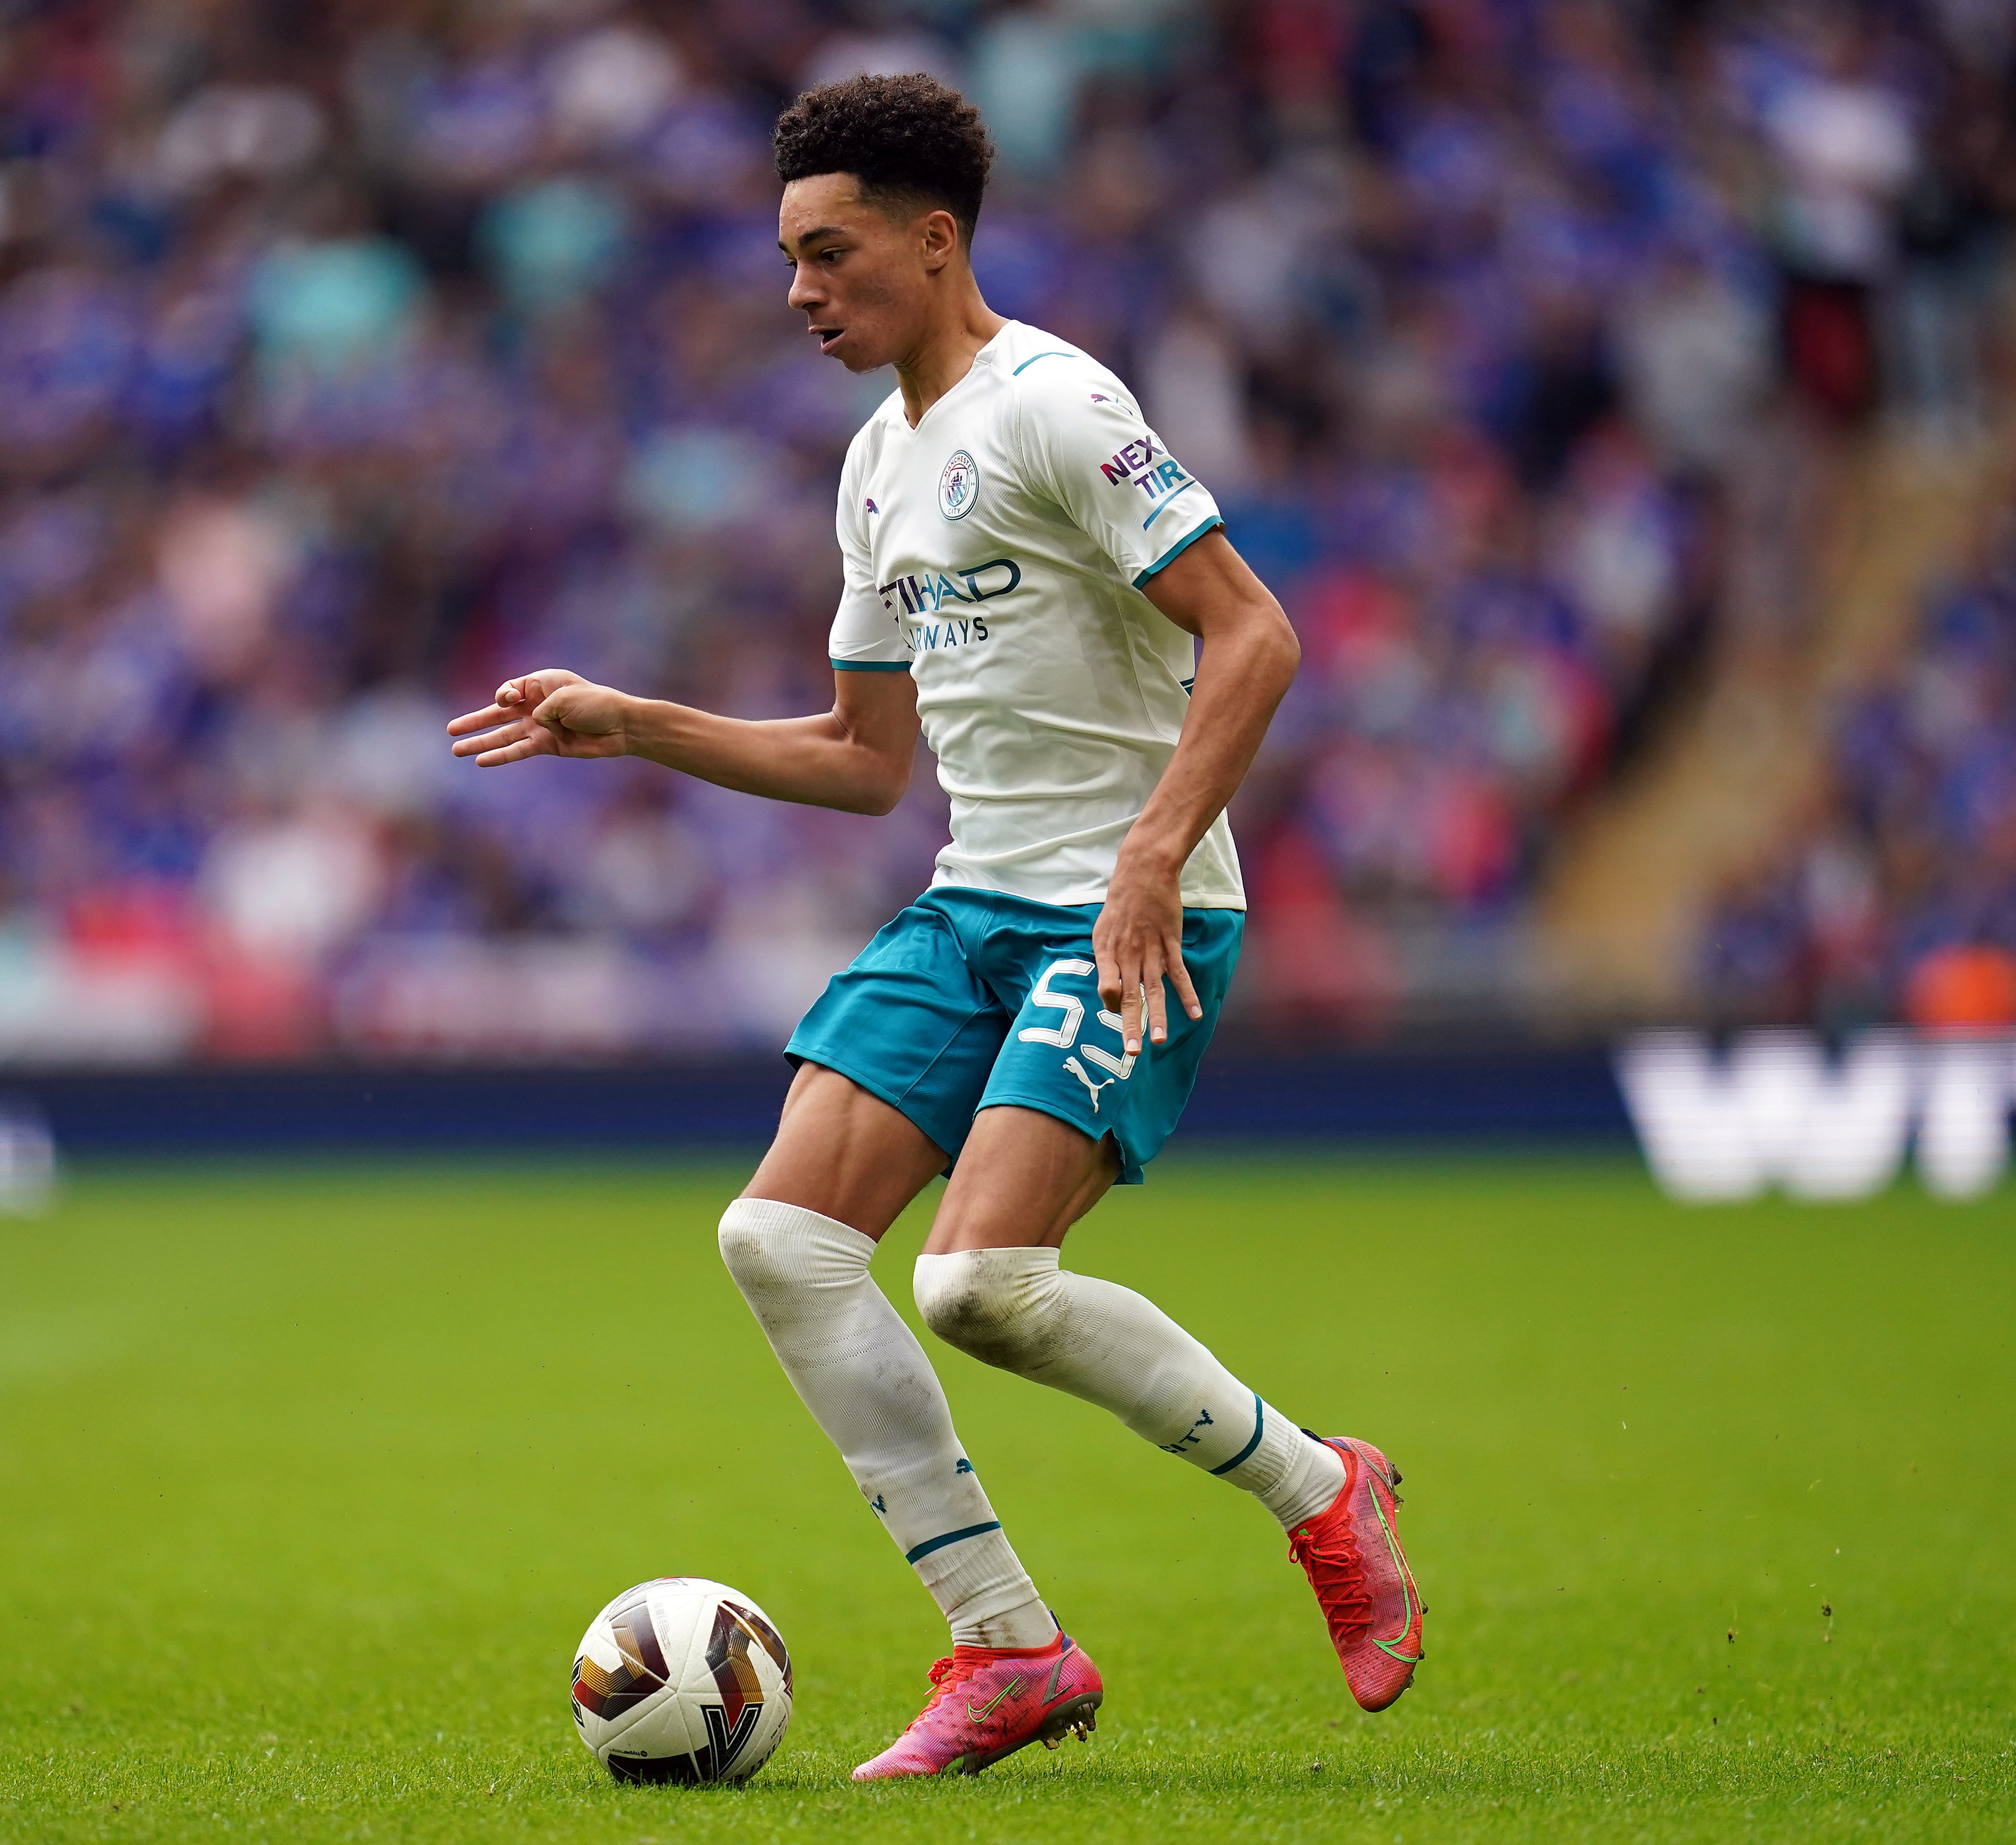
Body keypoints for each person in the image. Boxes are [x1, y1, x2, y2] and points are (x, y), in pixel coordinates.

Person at [448, 73, 1422, 1781]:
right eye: (789, 261)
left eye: (829, 254)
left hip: (1136, 915)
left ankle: (1323, 1491)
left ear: (934, 235)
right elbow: (860, 756)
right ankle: (1009, 1646)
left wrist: (1150, 854)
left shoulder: (1057, 404)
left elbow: (1254, 634)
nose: (803, 292)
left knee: (978, 1281)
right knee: (778, 1240)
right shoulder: (878, 464)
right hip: (977, 904)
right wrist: (637, 720)